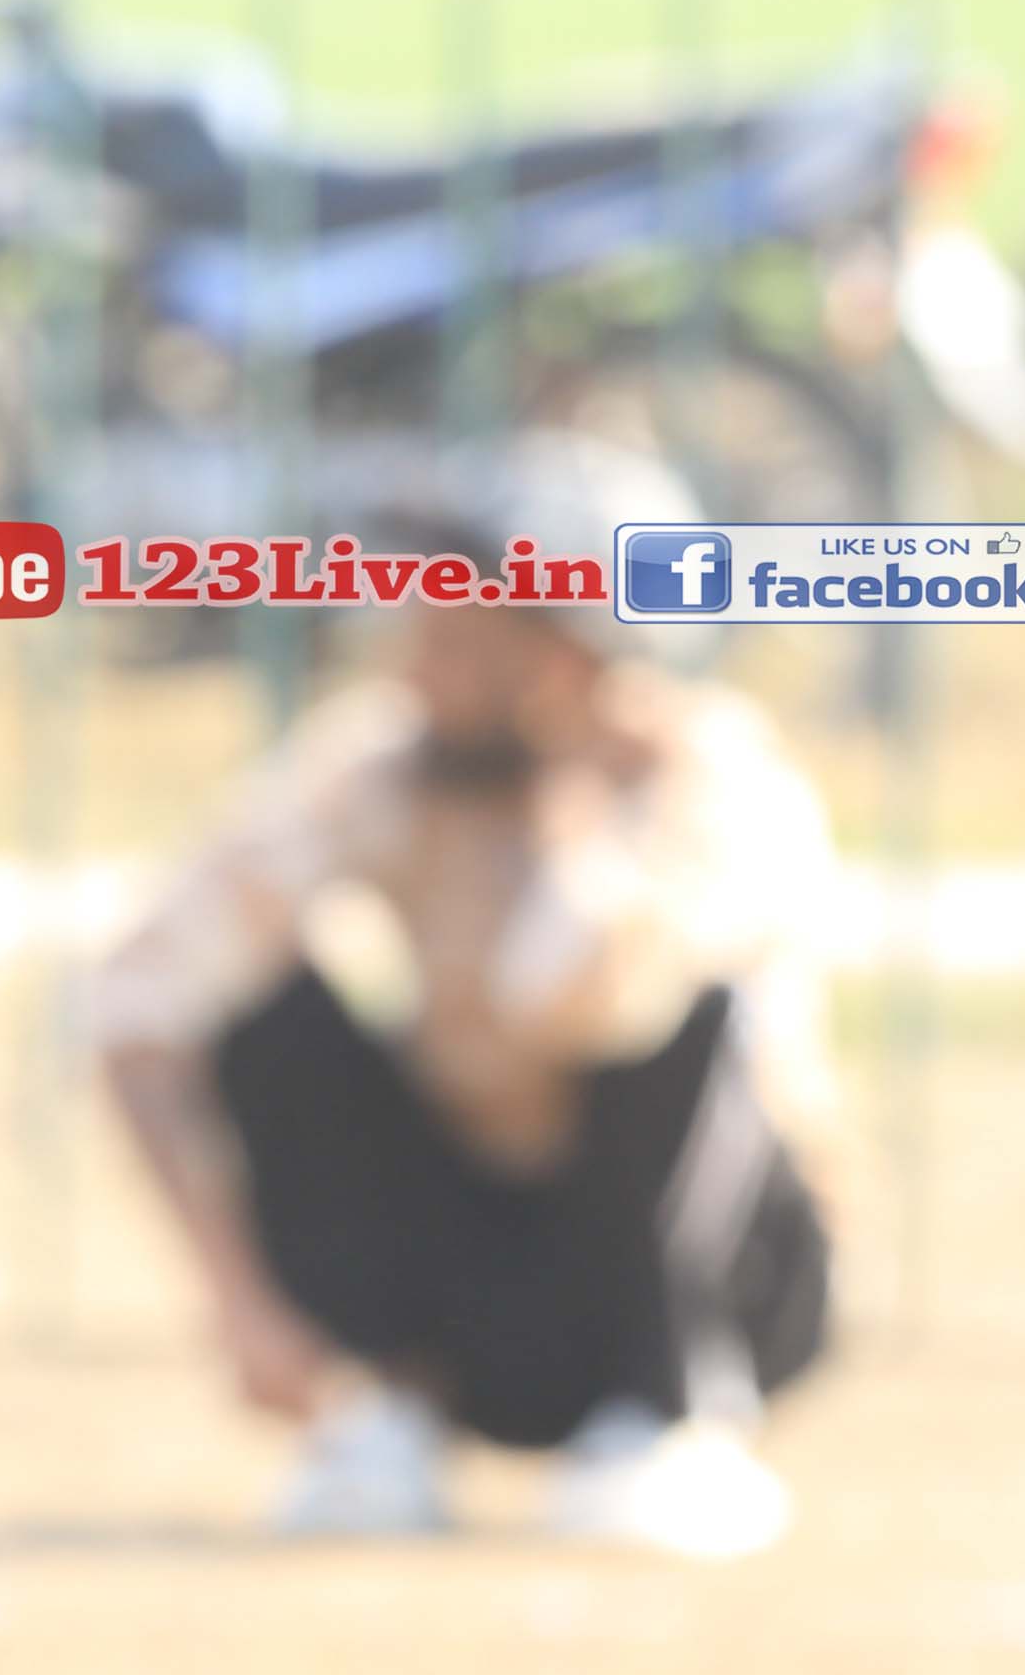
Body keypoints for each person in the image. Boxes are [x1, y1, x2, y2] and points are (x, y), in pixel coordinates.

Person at [86, 484, 842, 1554]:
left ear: (563, 659)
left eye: (452, 640)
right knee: (268, 1009)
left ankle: (671, 1416)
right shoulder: (386, 764)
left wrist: (569, 818)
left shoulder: (710, 782)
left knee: (693, 1013)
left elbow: (583, 1002)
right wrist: (239, 1302)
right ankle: (380, 1417)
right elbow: (135, 1001)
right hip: (477, 1298)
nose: (412, 672)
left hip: (708, 1279)